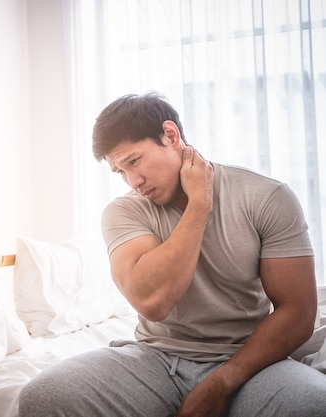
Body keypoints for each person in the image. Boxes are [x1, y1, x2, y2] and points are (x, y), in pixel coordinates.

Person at [18, 92, 326, 417]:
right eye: (120, 171)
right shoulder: (124, 212)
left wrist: (222, 382)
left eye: (134, 161)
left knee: (314, 403)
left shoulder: (266, 196)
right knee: (42, 396)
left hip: (248, 358)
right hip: (157, 358)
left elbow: (299, 311)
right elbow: (155, 302)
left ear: (171, 135)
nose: (132, 181)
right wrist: (199, 205)